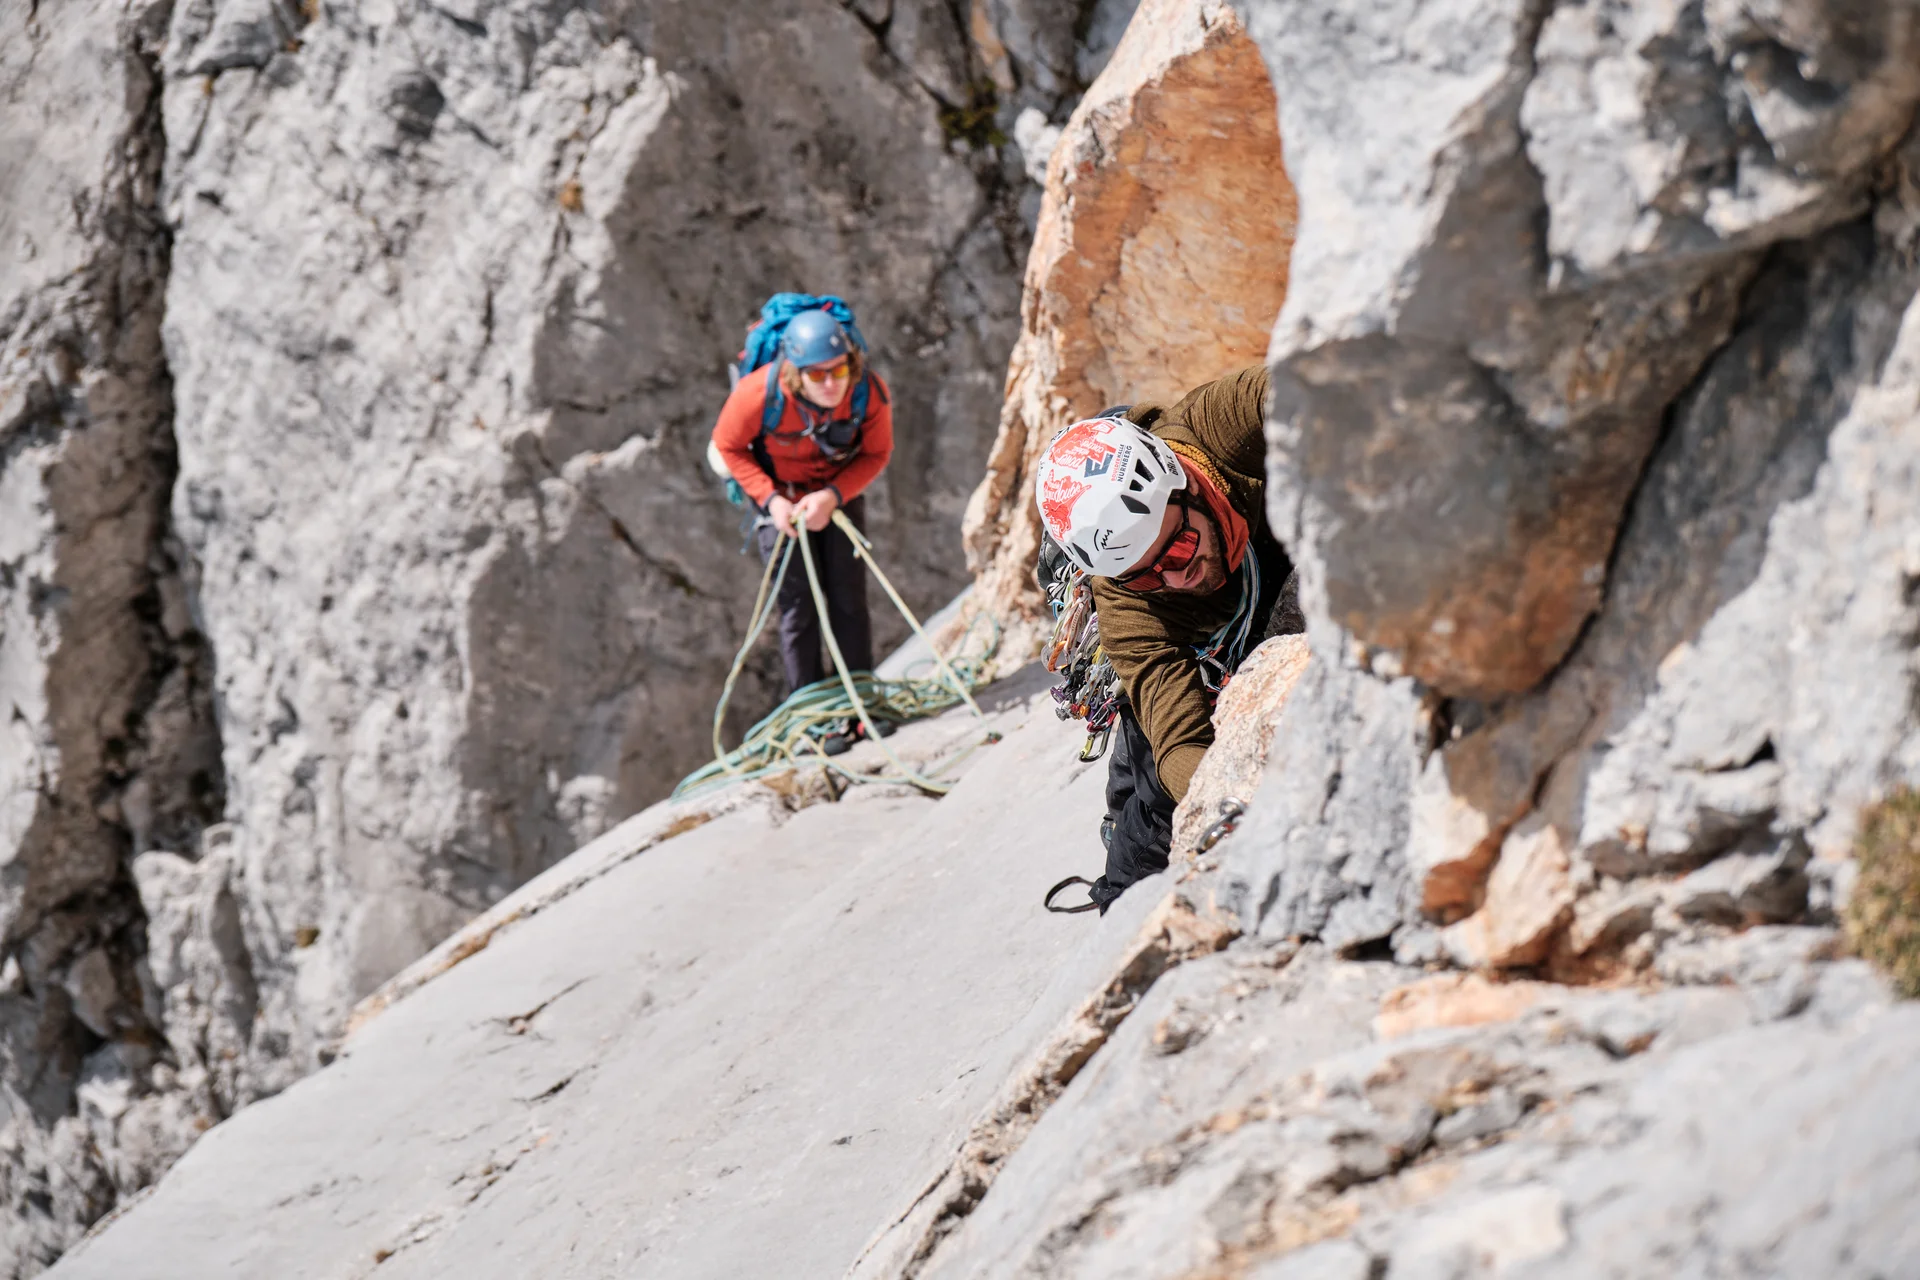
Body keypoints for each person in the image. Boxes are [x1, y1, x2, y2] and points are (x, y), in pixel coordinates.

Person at [1035, 364, 1298, 911]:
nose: (1176, 578)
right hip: (1201, 645)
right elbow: (1180, 743)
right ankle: (1121, 894)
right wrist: (1228, 794)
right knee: (1155, 791)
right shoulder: (1127, 603)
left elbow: (1324, 385)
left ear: (1187, 485)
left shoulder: (1220, 426)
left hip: (1270, 550)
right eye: (1146, 573)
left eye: (1177, 548)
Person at [711, 309, 895, 753]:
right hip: (781, 503)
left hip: (836, 496)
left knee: (849, 600)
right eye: (817, 374)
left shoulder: (867, 392)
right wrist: (771, 500)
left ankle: (860, 707)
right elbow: (728, 447)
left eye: (838, 370)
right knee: (798, 611)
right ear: (795, 373)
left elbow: (877, 453)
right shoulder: (759, 394)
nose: (830, 383)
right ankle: (815, 719)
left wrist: (832, 496)